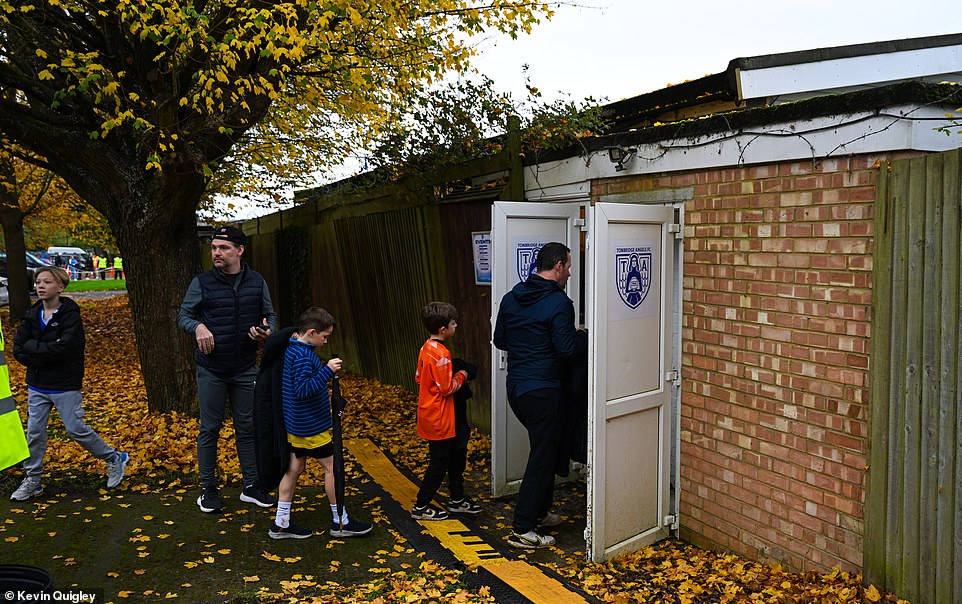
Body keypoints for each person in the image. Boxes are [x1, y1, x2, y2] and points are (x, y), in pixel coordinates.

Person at [177, 226, 277, 513]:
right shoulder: (202, 283)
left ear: (239, 250)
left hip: (246, 366)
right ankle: (208, 489)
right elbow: (183, 316)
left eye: (223, 248)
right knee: (210, 428)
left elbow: (270, 315)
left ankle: (251, 486)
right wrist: (198, 326)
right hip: (212, 368)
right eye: (214, 248)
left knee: (247, 427)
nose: (216, 253)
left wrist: (267, 331)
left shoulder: (257, 282)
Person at [9, 266, 128, 500]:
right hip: (37, 384)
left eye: (47, 282)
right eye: (38, 282)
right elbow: (19, 349)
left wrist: (35, 349)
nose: (40, 286)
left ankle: (114, 458)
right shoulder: (32, 314)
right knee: (34, 433)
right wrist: (42, 350)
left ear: (61, 287)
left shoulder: (71, 316)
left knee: (75, 429)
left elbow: (65, 349)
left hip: (65, 384)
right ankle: (33, 479)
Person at [493, 242, 580, 549]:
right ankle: (522, 528)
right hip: (544, 391)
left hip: (517, 389)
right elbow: (566, 349)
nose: (569, 273)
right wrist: (584, 338)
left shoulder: (512, 297)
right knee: (541, 458)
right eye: (568, 266)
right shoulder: (559, 303)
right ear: (557, 266)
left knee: (544, 449)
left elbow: (500, 340)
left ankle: (541, 512)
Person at [270, 307, 373, 539]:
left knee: (294, 469)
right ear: (313, 332)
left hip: (296, 425)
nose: (326, 341)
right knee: (333, 469)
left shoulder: (294, 348)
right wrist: (327, 370)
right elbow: (303, 389)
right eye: (324, 336)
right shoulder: (304, 356)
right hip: (310, 428)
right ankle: (341, 522)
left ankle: (281, 523)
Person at [410, 301, 482, 520]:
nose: (456, 325)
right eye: (453, 322)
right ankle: (421, 506)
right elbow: (447, 388)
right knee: (440, 462)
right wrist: (462, 374)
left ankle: (456, 499)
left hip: (429, 413)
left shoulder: (425, 348)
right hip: (441, 417)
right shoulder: (442, 354)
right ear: (443, 329)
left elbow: (418, 377)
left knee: (447, 458)